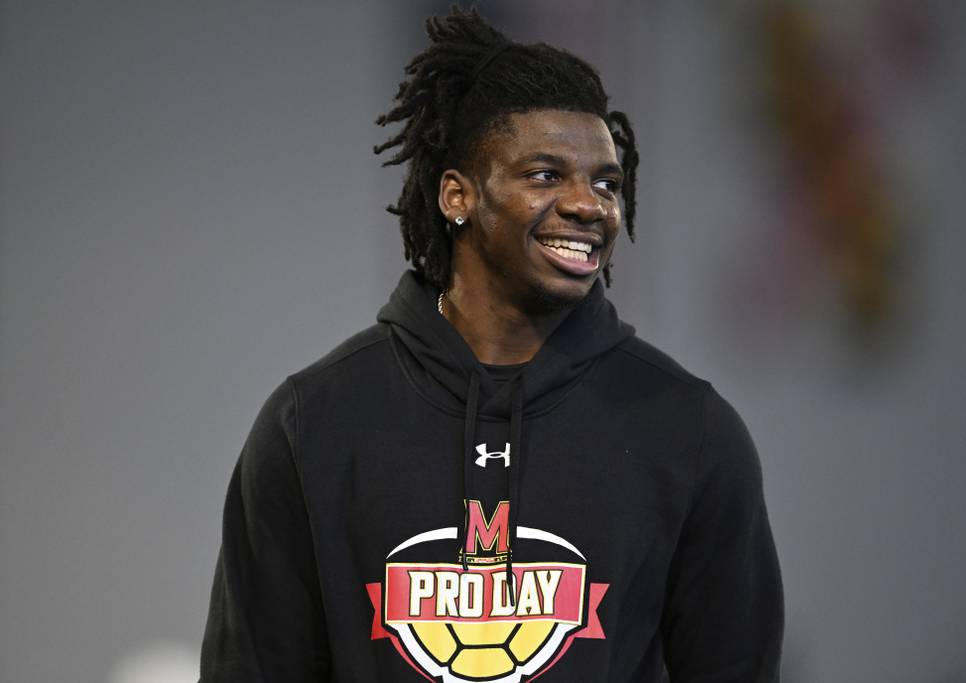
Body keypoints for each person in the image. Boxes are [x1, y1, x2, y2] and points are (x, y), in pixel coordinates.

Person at [199, 6, 783, 682]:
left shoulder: (690, 430)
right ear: (458, 196)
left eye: (607, 183)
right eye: (546, 175)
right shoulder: (313, 424)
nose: (589, 204)